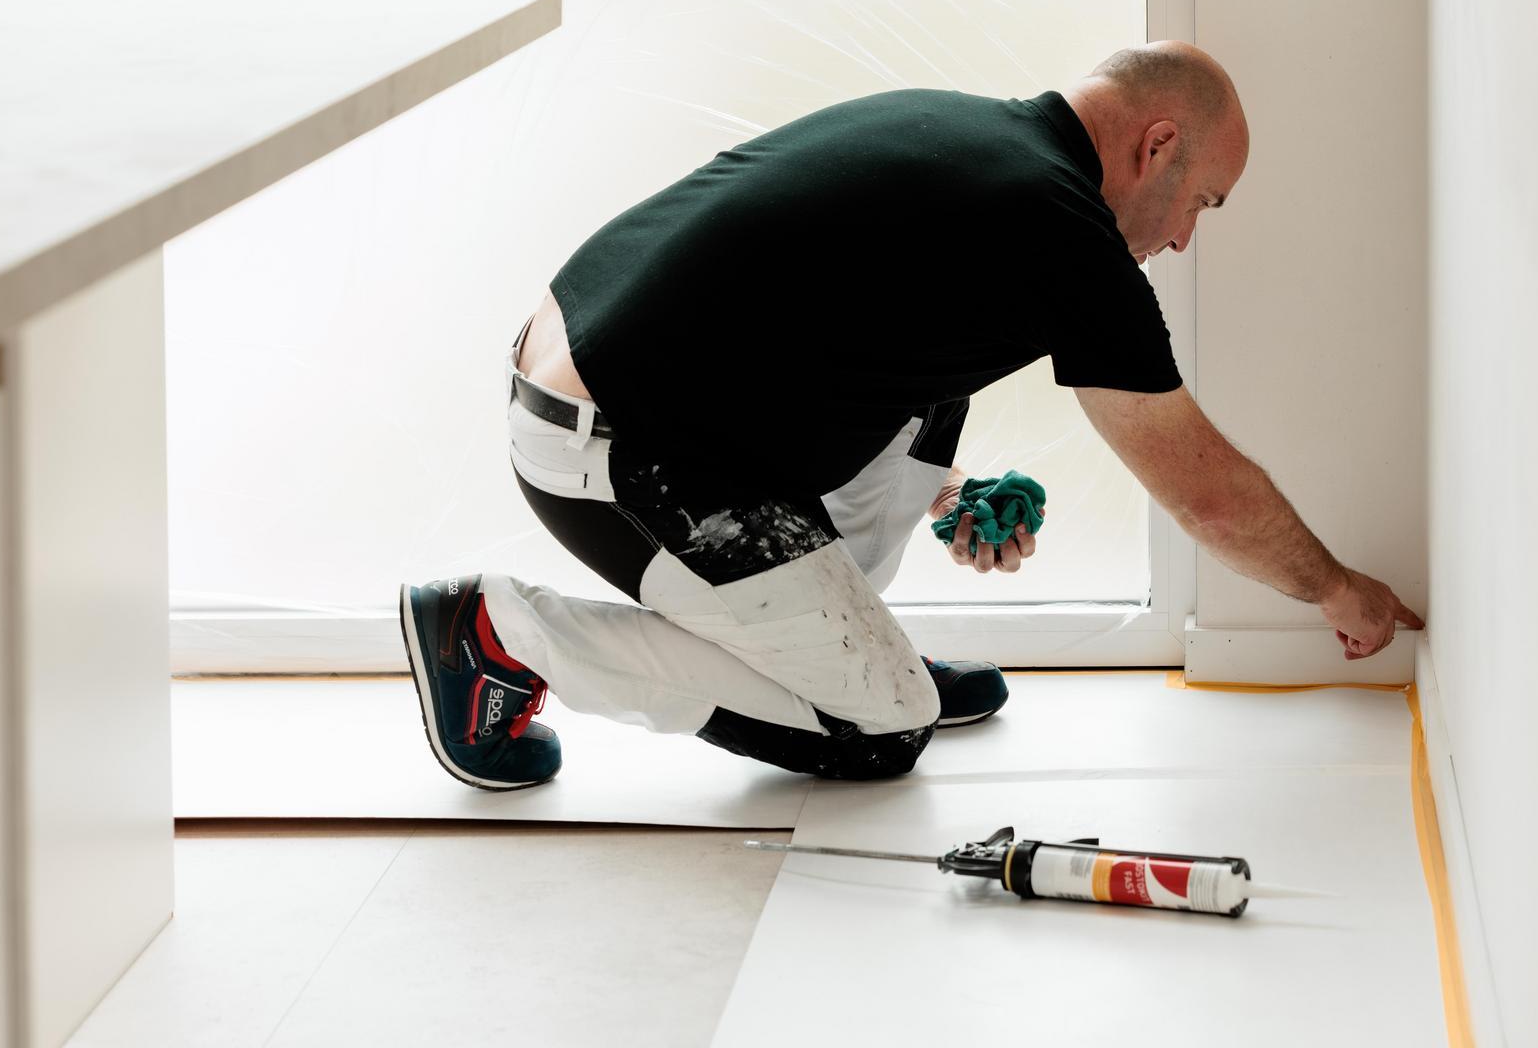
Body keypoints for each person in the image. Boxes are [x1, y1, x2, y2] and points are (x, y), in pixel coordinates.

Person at [396, 41, 1424, 792]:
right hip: (618, 447)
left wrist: (949, 491)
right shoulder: (1064, 237)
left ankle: (834, 636)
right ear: (1157, 145)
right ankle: (498, 633)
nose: (1189, 238)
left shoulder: (975, 140)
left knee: (939, 384)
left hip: (625, 384)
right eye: (1206, 201)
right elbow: (1200, 489)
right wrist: (1337, 588)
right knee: (881, 727)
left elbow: (827, 343)